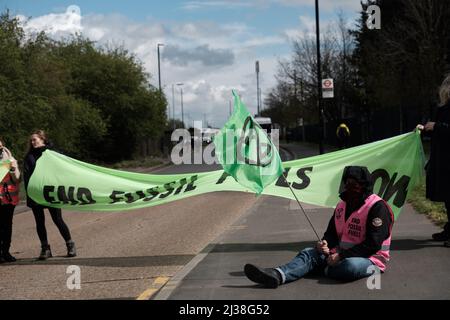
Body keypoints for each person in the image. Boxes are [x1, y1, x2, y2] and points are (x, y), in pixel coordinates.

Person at [244, 166, 394, 288]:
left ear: (364, 186)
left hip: (370, 259)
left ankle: (320, 268)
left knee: (350, 267)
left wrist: (341, 256)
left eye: (354, 185)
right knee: (308, 252)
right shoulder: (342, 205)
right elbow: (331, 233)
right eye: (347, 183)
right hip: (339, 255)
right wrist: (325, 244)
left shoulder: (377, 207)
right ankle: (277, 275)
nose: (349, 187)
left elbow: (373, 244)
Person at [23, 130, 76, 260]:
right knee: (39, 222)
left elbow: (62, 169)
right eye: (31, 140)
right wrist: (30, 194)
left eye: (35, 139)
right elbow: (27, 176)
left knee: (57, 219)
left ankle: (70, 244)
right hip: (36, 193)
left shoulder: (52, 153)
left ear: (43, 140)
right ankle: (45, 249)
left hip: (51, 192)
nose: (32, 142)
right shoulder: (29, 156)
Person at [417, 74, 450, 247]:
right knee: (447, 197)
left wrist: (436, 126)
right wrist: (427, 128)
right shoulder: (444, 108)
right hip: (443, 158)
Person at [0, 139, 21, 263]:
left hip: (8, 199)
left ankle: (6, 252)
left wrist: (13, 169)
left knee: (7, 226)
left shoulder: (10, 158)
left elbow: (17, 179)